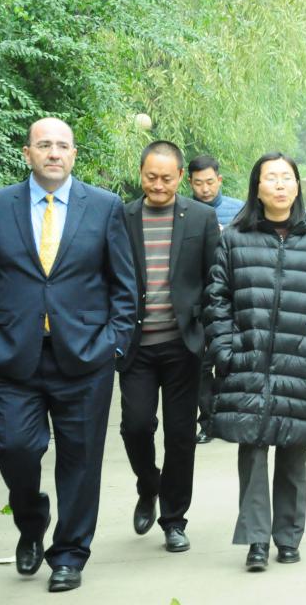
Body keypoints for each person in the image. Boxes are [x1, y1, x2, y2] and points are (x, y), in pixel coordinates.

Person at [0, 117, 137, 592]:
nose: (54, 153)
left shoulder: (103, 207)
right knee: (14, 448)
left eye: (62, 145)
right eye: (44, 145)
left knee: (81, 459)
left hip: (84, 356)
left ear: (74, 154)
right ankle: (31, 521)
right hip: (10, 357)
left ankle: (69, 555)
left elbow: (124, 285)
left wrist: (114, 342)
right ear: (28, 153)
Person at [203, 152, 306, 571]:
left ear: (298, 186)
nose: (280, 185)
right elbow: (217, 299)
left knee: (293, 450)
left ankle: (288, 536)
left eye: (287, 177)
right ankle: (255, 541)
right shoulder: (235, 237)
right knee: (251, 450)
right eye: (271, 178)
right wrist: (225, 350)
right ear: (257, 187)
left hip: (300, 362)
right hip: (248, 360)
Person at [117, 141, 219, 553]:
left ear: (180, 177)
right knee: (136, 426)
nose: (158, 185)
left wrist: (208, 332)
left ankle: (174, 519)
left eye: (166, 178)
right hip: (136, 346)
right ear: (140, 173)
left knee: (180, 436)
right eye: (150, 177)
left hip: (183, 345)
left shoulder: (201, 217)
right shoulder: (122, 216)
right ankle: (148, 485)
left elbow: (215, 280)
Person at [188, 153, 245, 444]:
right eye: (199, 183)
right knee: (200, 366)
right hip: (196, 301)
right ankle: (208, 422)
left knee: (230, 361)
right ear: (190, 183)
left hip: (232, 300)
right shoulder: (183, 211)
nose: (205, 189)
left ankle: (230, 418)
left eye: (210, 182)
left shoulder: (240, 211)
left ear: (219, 180)